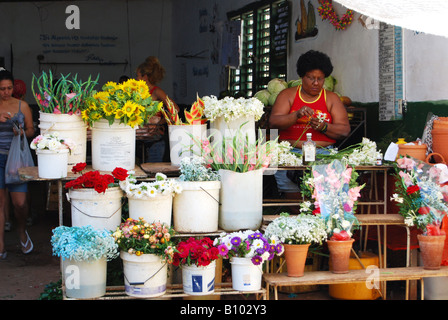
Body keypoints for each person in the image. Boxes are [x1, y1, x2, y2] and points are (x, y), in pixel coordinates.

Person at [269, 50, 350, 207]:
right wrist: (296, 115)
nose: (316, 83)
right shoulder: (288, 95)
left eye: (320, 79)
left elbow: (344, 130)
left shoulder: (331, 98)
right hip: (292, 155)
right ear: (301, 77)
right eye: (311, 78)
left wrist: (324, 127)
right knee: (295, 201)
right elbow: (273, 122)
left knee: (325, 201)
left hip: (323, 154)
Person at [0, 68, 35, 259]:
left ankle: (22, 230)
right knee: (0, 203)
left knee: (19, 203)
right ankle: (1, 245)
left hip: (17, 159)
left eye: (9, 88)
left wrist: (21, 132)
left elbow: (31, 130)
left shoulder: (22, 106)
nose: (6, 92)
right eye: (2, 89)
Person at [136, 56, 179, 162]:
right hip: (141, 138)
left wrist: (160, 122)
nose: (136, 79)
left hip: (155, 140)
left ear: (144, 77)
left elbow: (176, 109)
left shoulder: (156, 91)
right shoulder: (138, 93)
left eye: (137, 76)